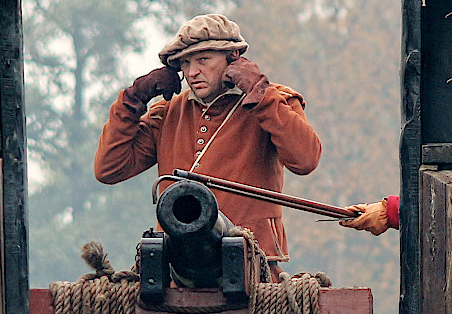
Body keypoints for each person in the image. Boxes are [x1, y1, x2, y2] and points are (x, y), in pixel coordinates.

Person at [94, 13, 321, 263]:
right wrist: (133, 99)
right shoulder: (168, 113)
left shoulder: (274, 101)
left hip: (253, 262)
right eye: (185, 63)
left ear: (233, 59)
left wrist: (260, 94)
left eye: (203, 59)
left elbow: (306, 160)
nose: (193, 72)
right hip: (179, 265)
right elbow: (109, 169)